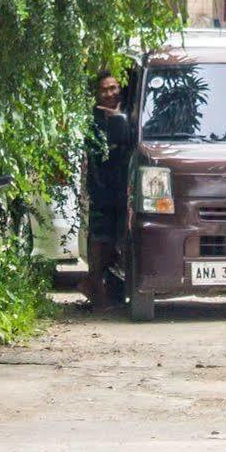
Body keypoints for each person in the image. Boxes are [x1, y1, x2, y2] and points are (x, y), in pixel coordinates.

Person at [83, 72, 135, 308]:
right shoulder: (94, 119)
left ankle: (116, 292)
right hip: (102, 186)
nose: (110, 93)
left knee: (121, 240)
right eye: (104, 89)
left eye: (113, 88)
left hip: (125, 186)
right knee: (100, 240)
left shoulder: (131, 113)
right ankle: (95, 288)